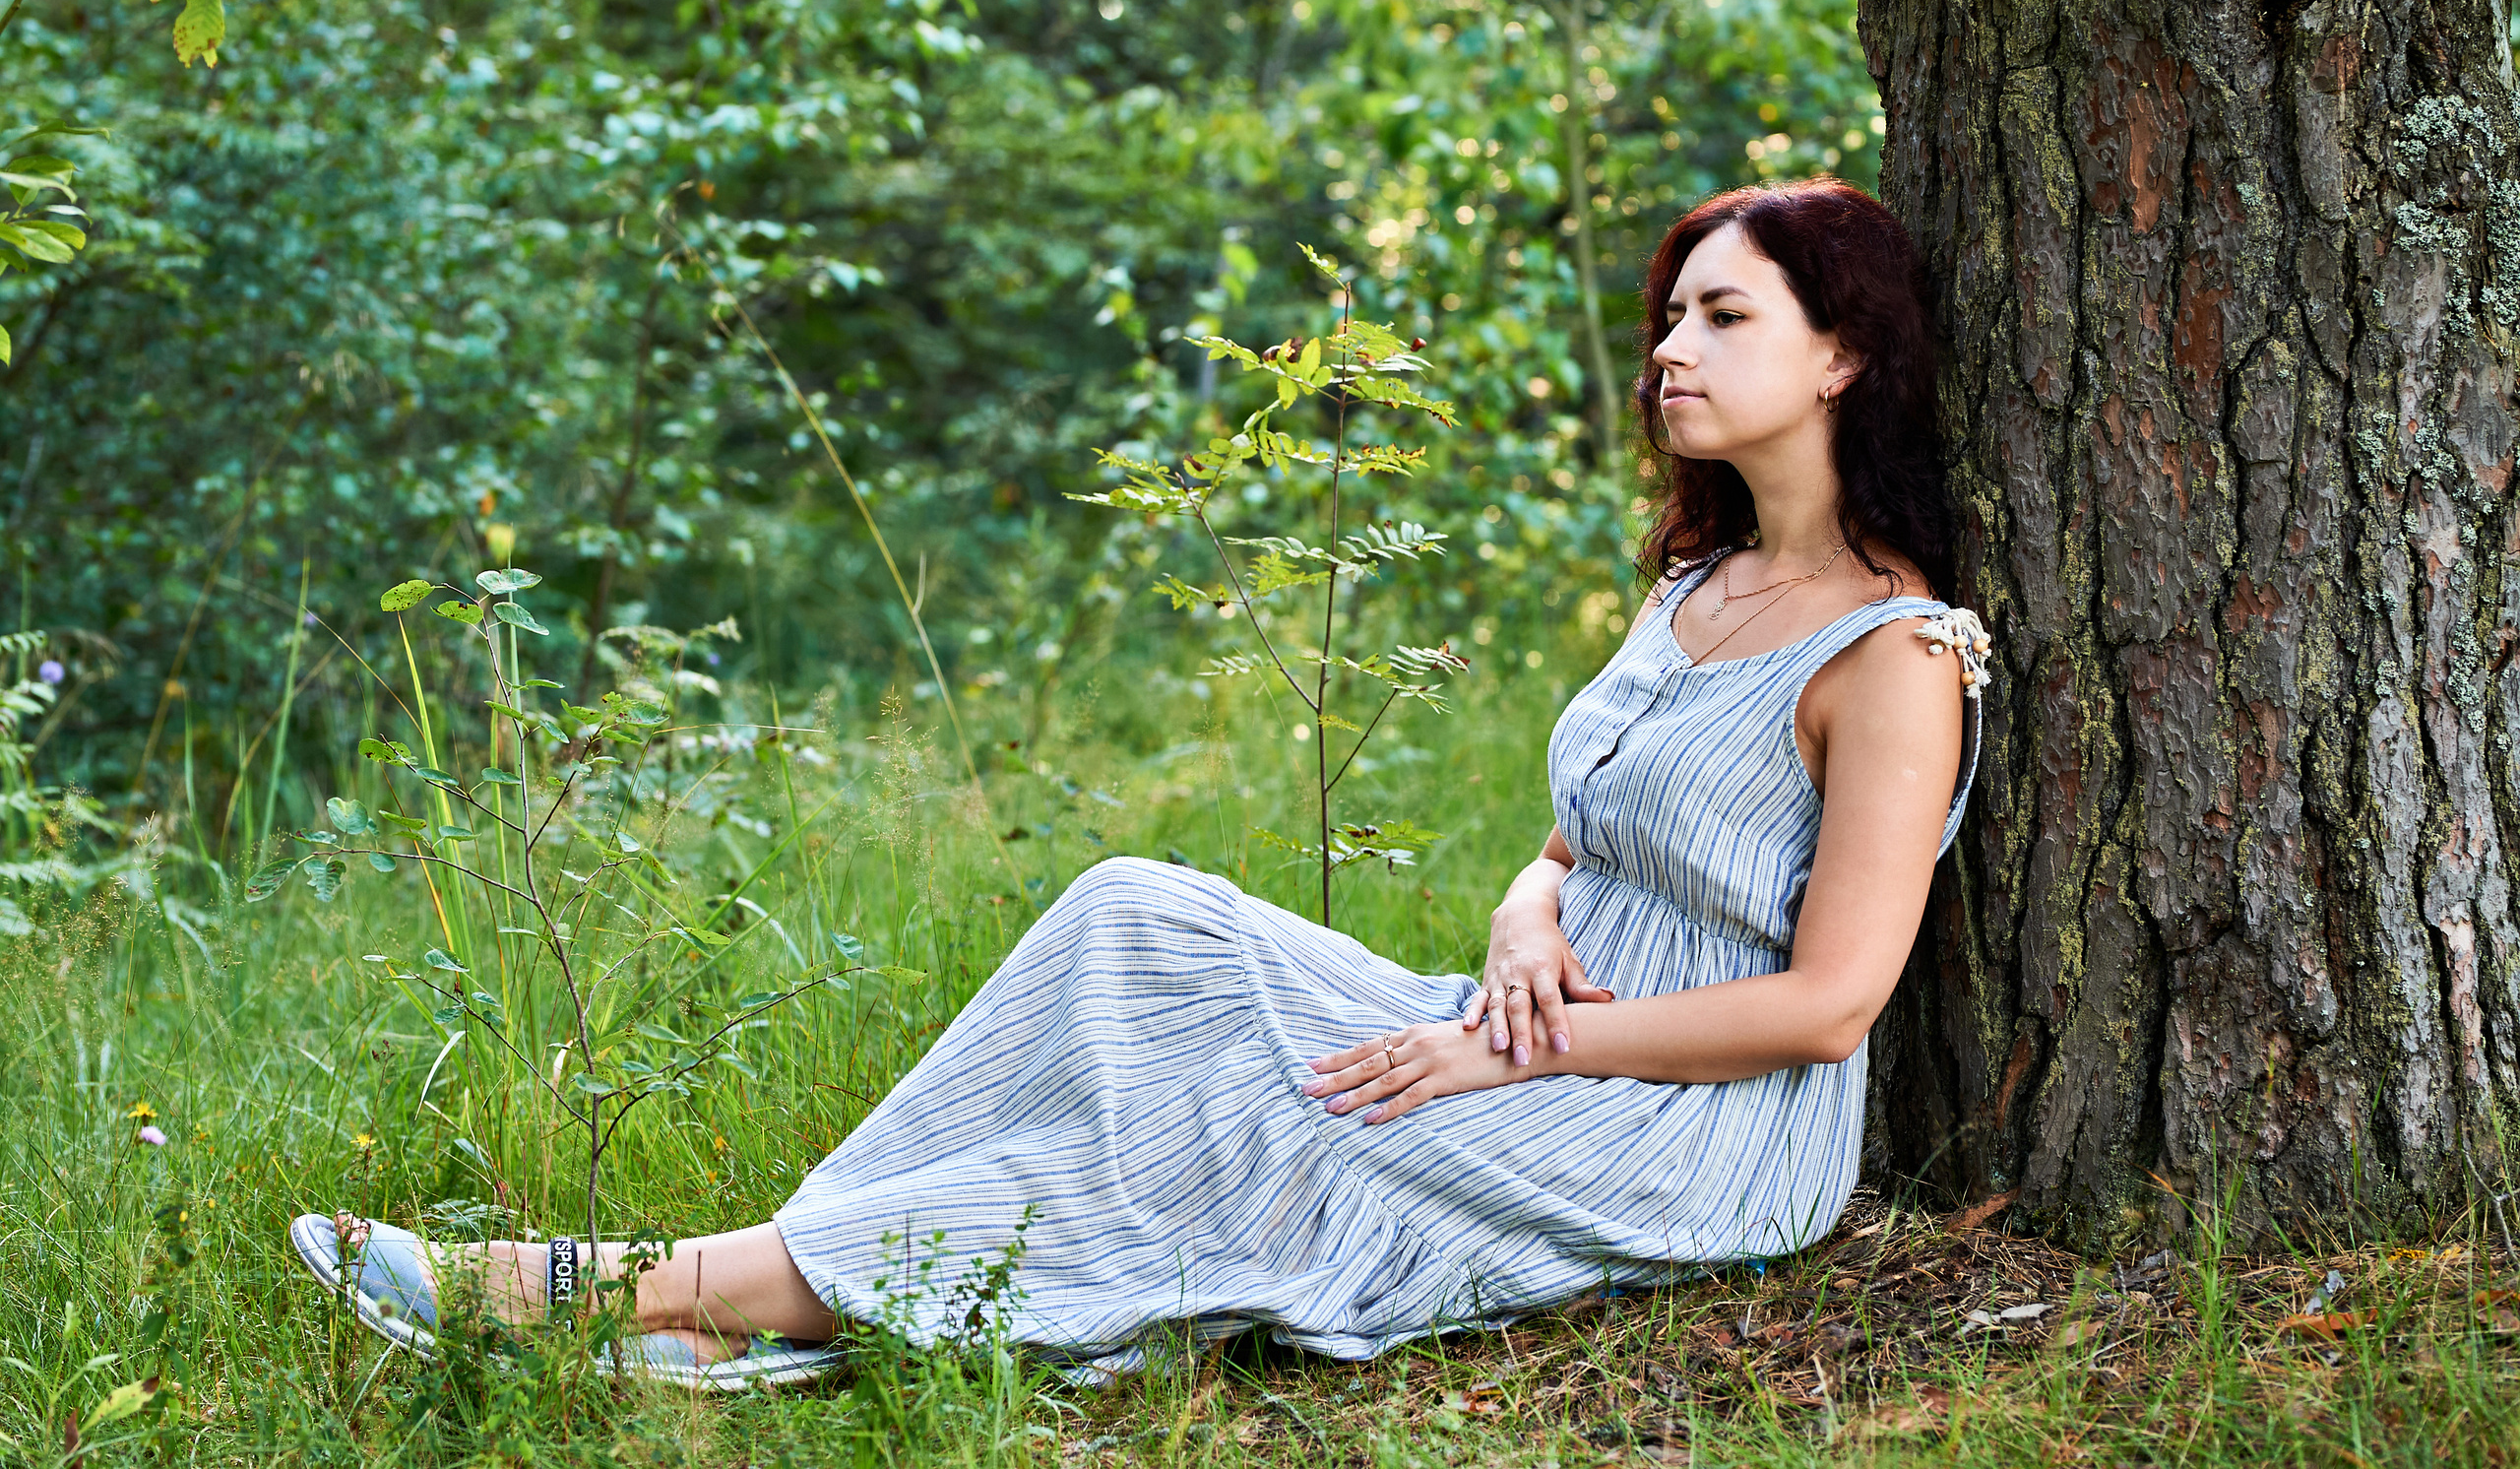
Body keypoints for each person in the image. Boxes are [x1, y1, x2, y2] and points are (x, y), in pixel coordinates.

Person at [290, 175, 1990, 1387]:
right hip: (1533, 1025)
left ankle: (586, 1294)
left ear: (1841, 356)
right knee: (1136, 920)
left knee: (1250, 1112)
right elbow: (1580, 834)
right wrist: (1523, 908)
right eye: (1669, 316)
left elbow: (1832, 1008)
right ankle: (800, 1269)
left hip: (1694, 1130)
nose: (1668, 351)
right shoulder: (1694, 588)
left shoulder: (1894, 657)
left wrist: (1493, 1053)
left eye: (1721, 316)